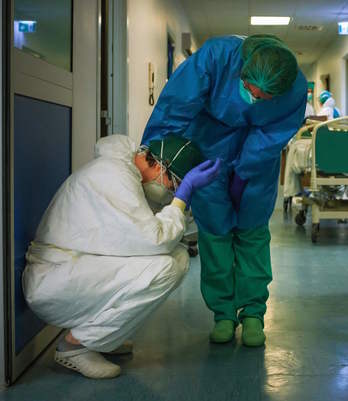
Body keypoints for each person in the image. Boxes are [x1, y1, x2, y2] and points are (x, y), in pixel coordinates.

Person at [142, 34, 307, 347]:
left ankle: (254, 313)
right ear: (242, 73)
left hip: (258, 156)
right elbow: (176, 104)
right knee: (215, 231)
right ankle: (223, 314)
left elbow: (272, 135)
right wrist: (156, 152)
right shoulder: (218, 56)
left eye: (264, 98)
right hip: (208, 143)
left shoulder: (295, 87)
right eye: (248, 90)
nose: (253, 100)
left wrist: (245, 172)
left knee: (252, 230)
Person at [22, 134, 220, 379]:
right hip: (51, 280)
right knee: (166, 267)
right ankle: (75, 346)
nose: (171, 192)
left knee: (176, 256)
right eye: (173, 185)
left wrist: (181, 202)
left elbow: (155, 231)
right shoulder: (114, 177)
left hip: (70, 267)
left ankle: (100, 337)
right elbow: (155, 240)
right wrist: (181, 199)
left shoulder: (125, 174)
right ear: (159, 166)